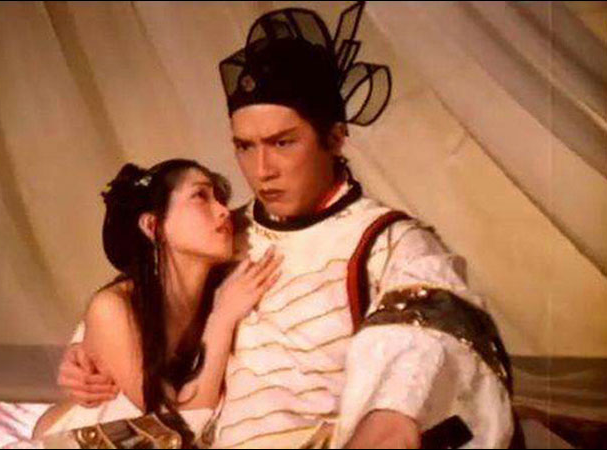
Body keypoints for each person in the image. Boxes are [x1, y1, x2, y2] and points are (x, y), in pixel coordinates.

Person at [57, 3, 517, 448]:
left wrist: (391, 420)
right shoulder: (224, 236)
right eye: (244, 147)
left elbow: (431, 347)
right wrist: (88, 361)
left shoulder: (389, 242)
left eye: (282, 143)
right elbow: (138, 311)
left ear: (334, 138)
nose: (262, 170)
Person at [33, 159, 282, 439]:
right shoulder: (114, 307)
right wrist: (222, 320)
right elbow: (174, 426)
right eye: (200, 196)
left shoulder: (221, 285)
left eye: (220, 199)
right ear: (153, 225)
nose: (224, 211)